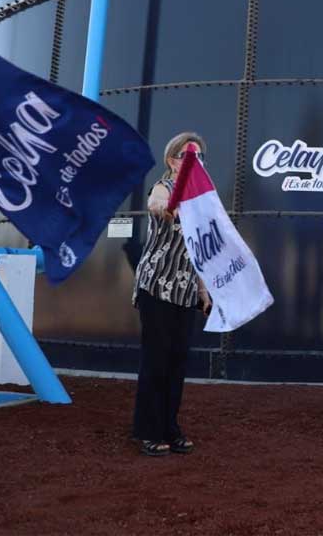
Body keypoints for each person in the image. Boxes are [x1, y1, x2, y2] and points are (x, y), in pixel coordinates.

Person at [132, 132, 211, 456]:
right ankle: (148, 431)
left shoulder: (203, 198)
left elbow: (202, 252)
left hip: (185, 289)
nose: (191, 160)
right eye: (184, 155)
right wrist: (171, 207)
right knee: (156, 360)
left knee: (177, 361)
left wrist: (204, 291)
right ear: (171, 160)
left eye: (197, 156)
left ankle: (170, 427)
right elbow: (155, 203)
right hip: (156, 286)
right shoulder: (164, 187)